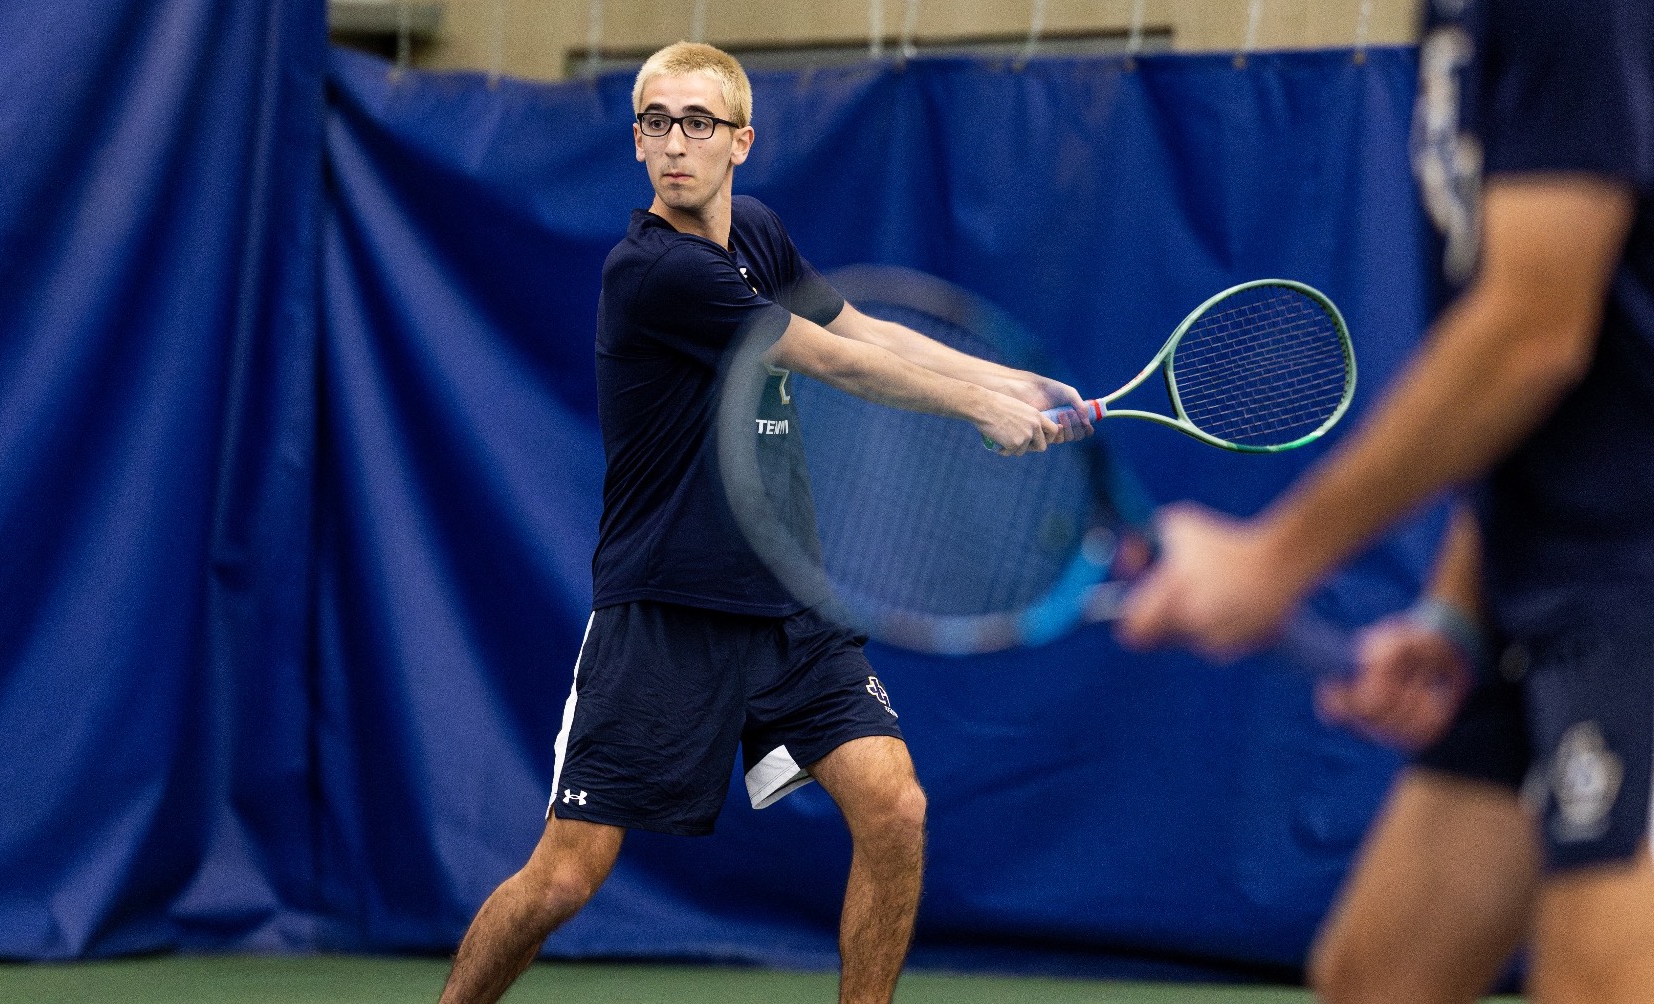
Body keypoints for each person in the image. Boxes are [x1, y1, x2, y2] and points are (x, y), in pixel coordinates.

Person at [437, 42, 1090, 1004]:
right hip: (665, 612)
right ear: (637, 141)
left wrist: (1009, 382)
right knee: (565, 878)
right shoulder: (651, 271)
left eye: (698, 123)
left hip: (787, 604)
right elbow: (833, 362)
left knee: (895, 808)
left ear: (742, 140)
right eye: (656, 122)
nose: (674, 143)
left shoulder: (757, 235)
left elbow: (864, 328)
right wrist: (976, 412)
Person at [1118, 1, 1652, 1001]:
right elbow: (1598, 363)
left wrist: (1271, 561)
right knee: (1378, 975)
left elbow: (1535, 330)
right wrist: (1457, 604)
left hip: (1631, 589)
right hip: (1542, 592)